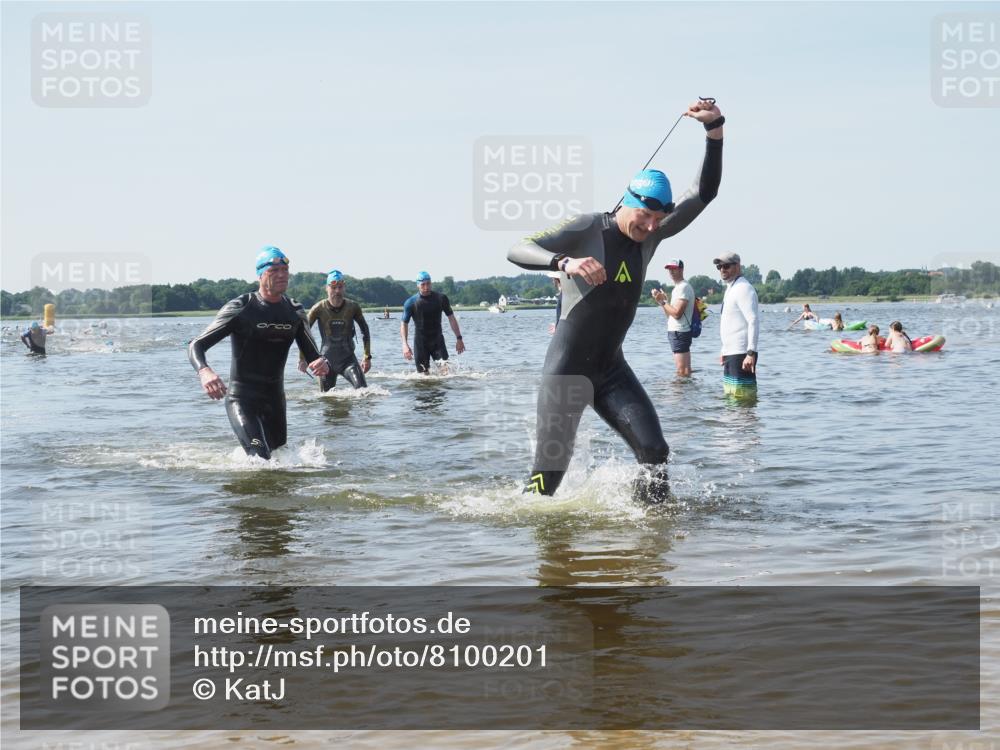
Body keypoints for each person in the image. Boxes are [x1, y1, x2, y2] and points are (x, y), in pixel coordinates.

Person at [507, 98, 724, 502]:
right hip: (566, 374)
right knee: (548, 477)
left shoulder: (654, 235)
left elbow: (703, 194)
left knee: (655, 451)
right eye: (645, 216)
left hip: (611, 371)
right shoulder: (588, 227)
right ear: (628, 200)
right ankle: (528, 532)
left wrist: (715, 131)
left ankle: (653, 537)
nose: (650, 226)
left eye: (658, 220)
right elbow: (518, 248)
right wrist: (564, 261)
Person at [188, 246, 330, 459]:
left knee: (281, 459)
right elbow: (195, 345)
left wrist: (322, 363)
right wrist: (204, 371)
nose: (282, 275)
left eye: (285, 269)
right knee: (260, 457)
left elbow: (313, 356)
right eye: (274, 271)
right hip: (242, 399)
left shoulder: (295, 311)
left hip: (275, 401)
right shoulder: (241, 307)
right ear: (261, 275)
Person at [300, 269, 372, 391]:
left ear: (344, 288)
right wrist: (303, 359)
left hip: (348, 360)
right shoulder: (318, 308)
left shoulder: (353, 307)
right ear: (326, 289)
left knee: (364, 392)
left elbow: (365, 331)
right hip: (325, 362)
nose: (337, 291)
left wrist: (367, 357)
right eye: (333, 288)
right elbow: (303, 333)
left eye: (340, 287)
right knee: (327, 400)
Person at [401, 271, 465, 373]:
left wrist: (459, 338)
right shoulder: (411, 303)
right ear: (418, 285)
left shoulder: (441, 298)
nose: (426, 287)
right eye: (423, 284)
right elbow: (404, 324)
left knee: (446, 373)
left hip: (438, 342)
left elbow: (451, 318)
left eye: (428, 283)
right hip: (420, 343)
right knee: (423, 377)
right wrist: (405, 344)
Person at [716, 252, 759, 397]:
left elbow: (753, 320)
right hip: (731, 353)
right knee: (731, 399)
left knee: (742, 399)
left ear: (738, 266)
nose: (722, 269)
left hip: (742, 354)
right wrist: (724, 350)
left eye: (726, 266)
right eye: (719, 266)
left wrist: (750, 353)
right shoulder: (731, 288)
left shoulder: (743, 288)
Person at [650, 258, 694, 376]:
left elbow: (677, 314)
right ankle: (685, 393)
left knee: (682, 371)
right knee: (684, 370)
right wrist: (663, 301)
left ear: (681, 269)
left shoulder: (683, 287)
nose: (671, 271)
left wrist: (663, 302)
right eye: (669, 269)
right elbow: (670, 315)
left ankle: (679, 393)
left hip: (680, 332)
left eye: (674, 269)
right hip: (677, 332)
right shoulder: (678, 288)